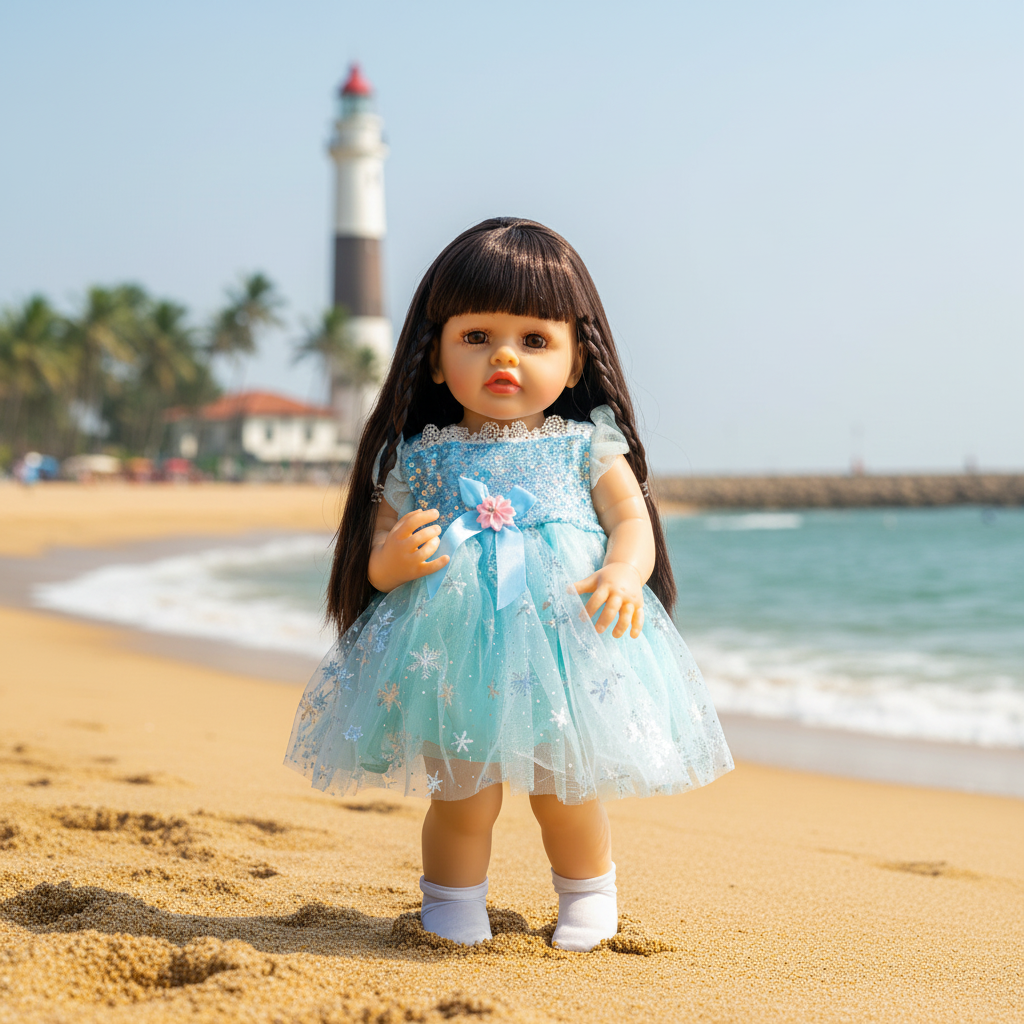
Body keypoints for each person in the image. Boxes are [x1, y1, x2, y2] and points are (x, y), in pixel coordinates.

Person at [284, 217, 733, 951]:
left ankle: (588, 894)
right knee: (461, 793)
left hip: (565, 641)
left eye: (534, 339)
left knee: (567, 787)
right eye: (476, 337)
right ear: (433, 358)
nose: (504, 357)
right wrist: (389, 561)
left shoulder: (584, 444)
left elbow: (631, 520)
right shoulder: (420, 457)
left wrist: (624, 570)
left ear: (576, 354)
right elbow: (377, 543)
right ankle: (453, 903)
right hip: (451, 648)